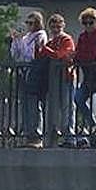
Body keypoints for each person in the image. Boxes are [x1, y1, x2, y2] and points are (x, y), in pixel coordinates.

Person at [70, 7, 96, 148]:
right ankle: (94, 126)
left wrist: (82, 57)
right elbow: (79, 54)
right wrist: (80, 57)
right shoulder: (82, 37)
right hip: (89, 76)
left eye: (91, 22)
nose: (88, 25)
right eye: (85, 23)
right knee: (78, 98)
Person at [11, 11, 49, 148]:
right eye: (27, 23)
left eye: (31, 23)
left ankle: (36, 134)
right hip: (24, 72)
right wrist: (16, 40)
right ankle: (27, 133)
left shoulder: (41, 35)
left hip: (35, 72)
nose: (28, 25)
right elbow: (16, 55)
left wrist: (21, 42)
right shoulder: (26, 37)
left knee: (34, 104)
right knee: (24, 103)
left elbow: (31, 54)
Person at [42, 13, 76, 146]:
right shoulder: (51, 42)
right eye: (53, 27)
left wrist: (45, 49)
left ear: (63, 26)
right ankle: (53, 135)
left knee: (67, 108)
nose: (56, 29)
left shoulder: (67, 39)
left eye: (58, 26)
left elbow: (59, 55)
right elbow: (40, 55)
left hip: (66, 78)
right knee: (53, 108)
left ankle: (70, 137)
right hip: (53, 81)